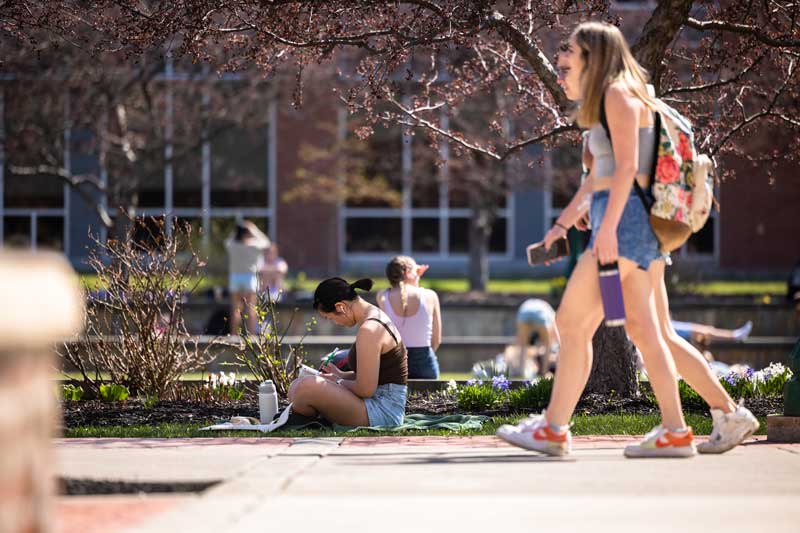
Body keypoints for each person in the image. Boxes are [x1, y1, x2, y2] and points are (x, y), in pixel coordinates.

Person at [498, 22, 696, 458]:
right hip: (621, 228)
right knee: (644, 332)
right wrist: (561, 227)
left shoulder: (617, 95)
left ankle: (554, 429)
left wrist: (606, 232)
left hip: (622, 231)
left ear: (593, 54)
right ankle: (676, 431)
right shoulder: (609, 102)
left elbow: (627, 169)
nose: (562, 59)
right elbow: (597, 181)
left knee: (571, 323)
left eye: (569, 50)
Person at [288, 277, 408, 427]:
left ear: (341, 307)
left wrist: (337, 381)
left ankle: (313, 418)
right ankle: (316, 414)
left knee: (306, 387)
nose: (335, 323)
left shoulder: (370, 330)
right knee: (296, 386)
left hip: (383, 411)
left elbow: (365, 390)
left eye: (330, 318)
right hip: (376, 401)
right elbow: (373, 377)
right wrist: (340, 375)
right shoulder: (373, 318)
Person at [378, 256, 442, 379]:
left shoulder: (382, 296)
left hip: (396, 364)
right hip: (425, 363)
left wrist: (414, 273)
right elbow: (436, 340)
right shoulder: (430, 295)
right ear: (407, 273)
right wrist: (416, 277)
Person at [225, 220, 270, 335]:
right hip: (249, 278)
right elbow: (266, 242)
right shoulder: (253, 245)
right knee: (251, 309)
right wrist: (254, 229)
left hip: (235, 278)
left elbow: (228, 240)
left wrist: (237, 229)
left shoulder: (232, 245)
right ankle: (251, 336)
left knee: (235, 309)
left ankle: (234, 335)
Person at [508, 299, 558, 379]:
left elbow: (518, 341)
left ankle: (521, 372)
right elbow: (553, 337)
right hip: (540, 314)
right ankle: (544, 373)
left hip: (523, 312)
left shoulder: (543, 307)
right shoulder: (552, 316)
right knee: (547, 344)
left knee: (522, 345)